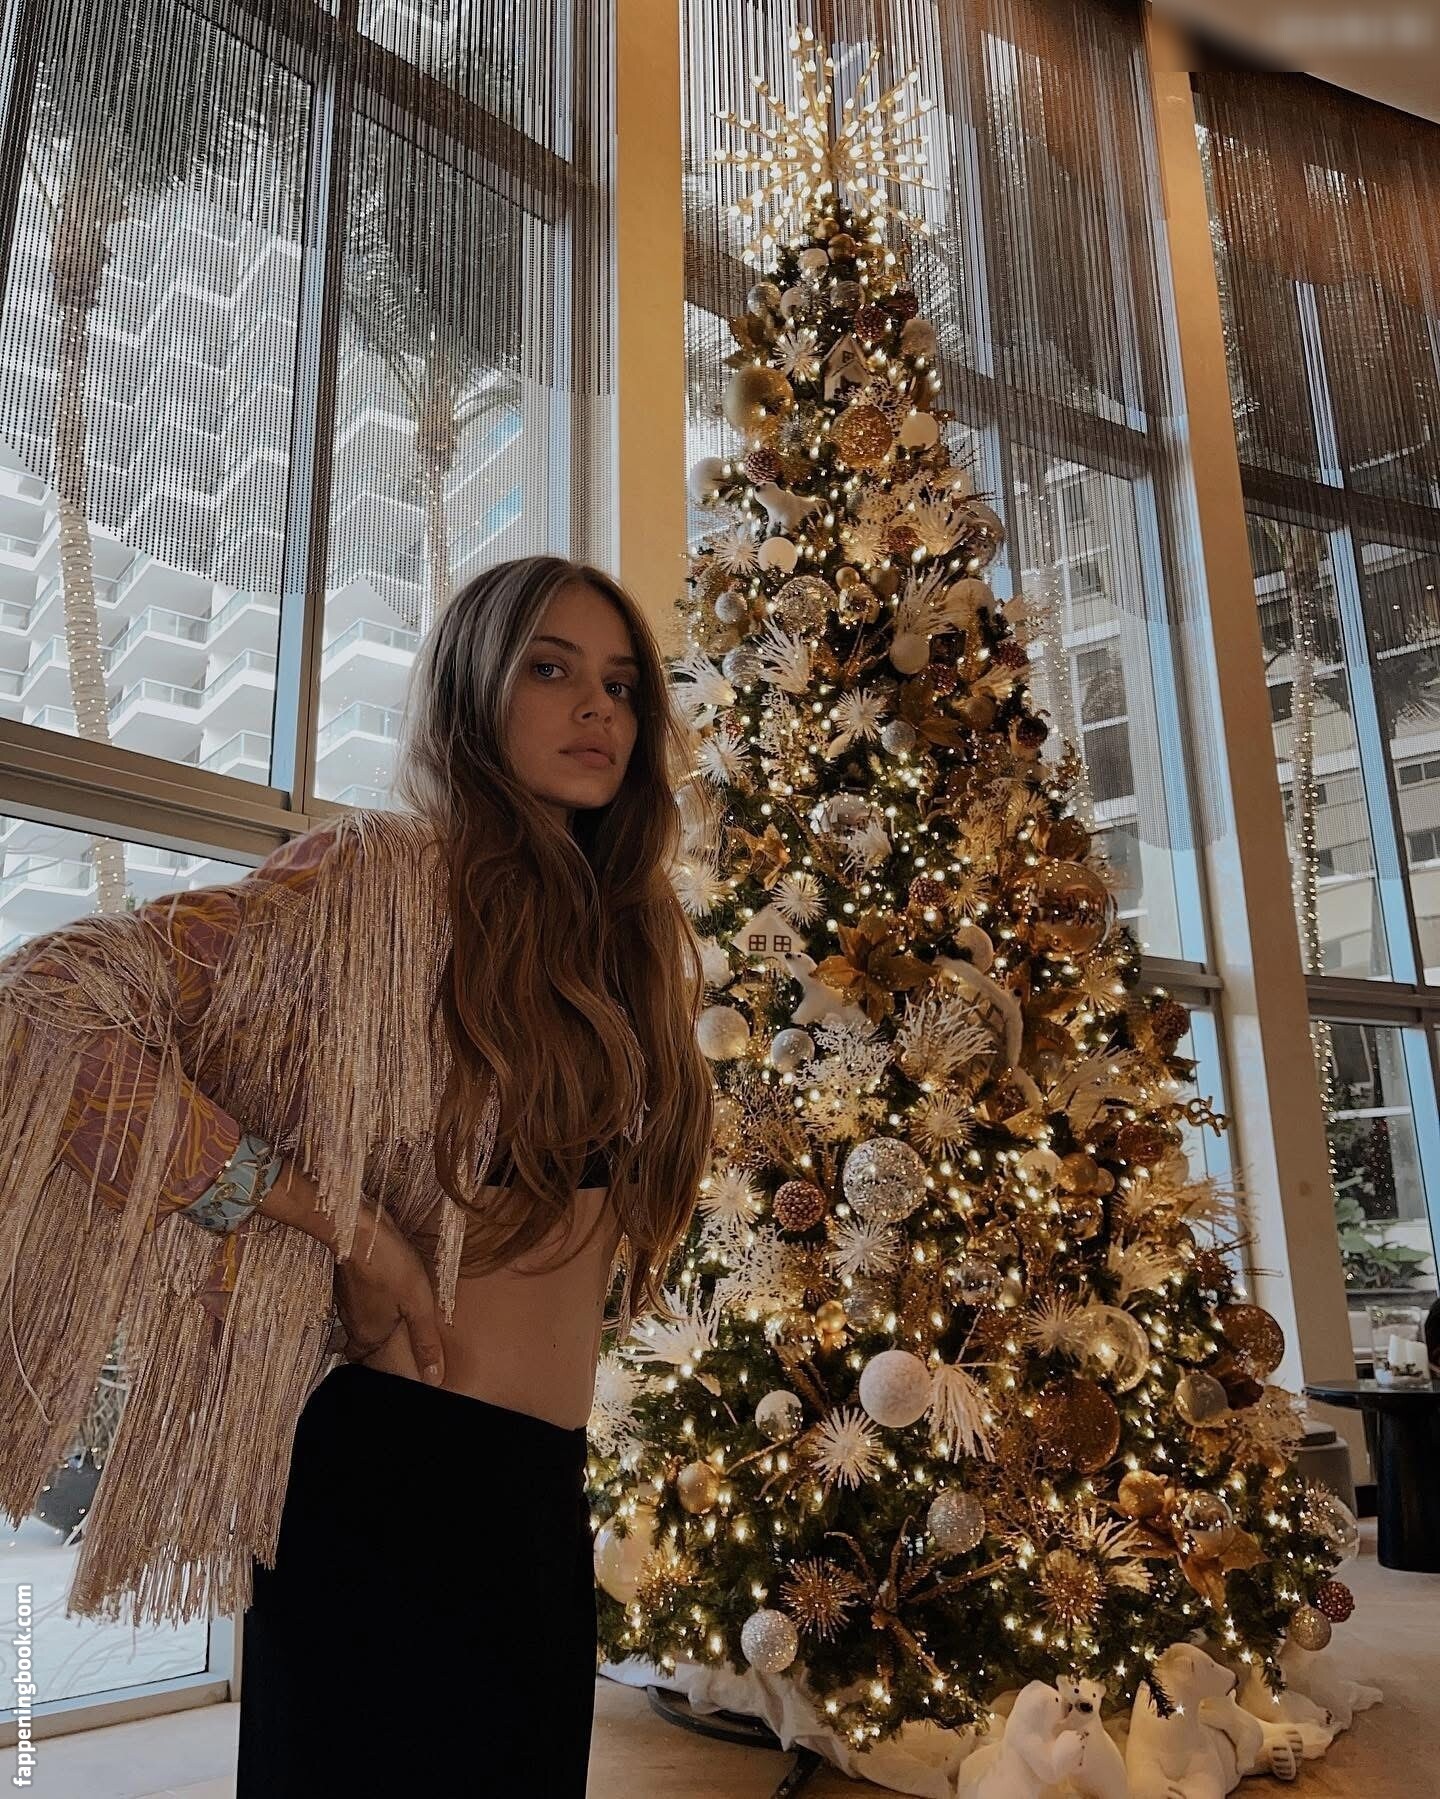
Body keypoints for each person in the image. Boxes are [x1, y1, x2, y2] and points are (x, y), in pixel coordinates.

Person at [0, 555, 716, 1795]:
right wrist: (345, 1226)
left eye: (619, 684)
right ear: (472, 688)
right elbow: (47, 1004)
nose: (596, 708)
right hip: (394, 1478)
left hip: (538, 1494)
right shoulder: (377, 876)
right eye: (550, 668)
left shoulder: (620, 939)